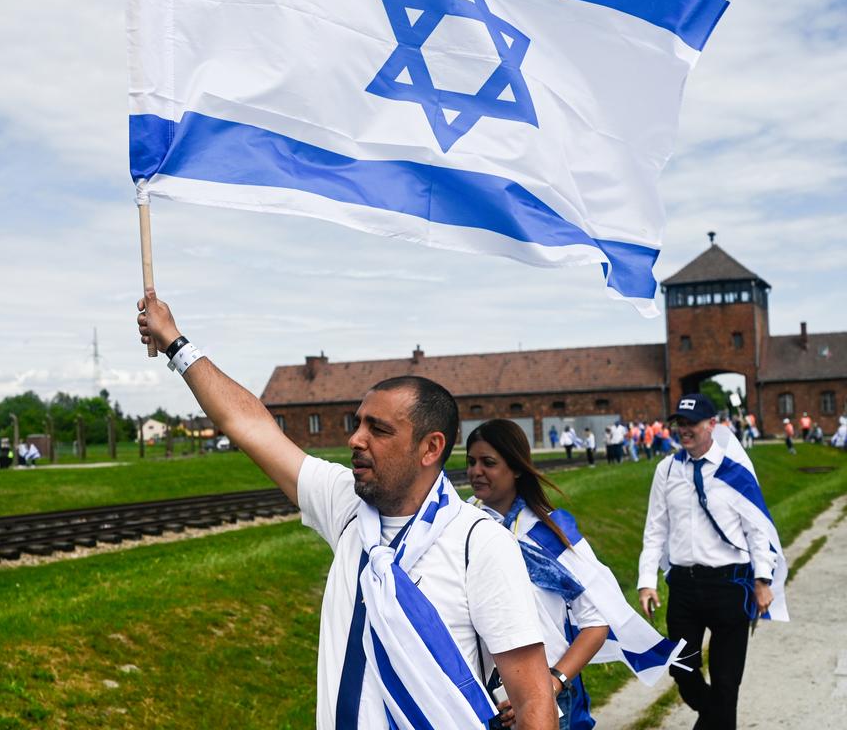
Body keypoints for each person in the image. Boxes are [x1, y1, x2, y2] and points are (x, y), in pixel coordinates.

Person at [137, 289, 557, 730]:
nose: (356, 439)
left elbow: (533, 703)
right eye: (358, 424)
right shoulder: (348, 506)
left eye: (378, 429)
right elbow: (251, 425)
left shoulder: (480, 543)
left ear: (430, 448)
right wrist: (175, 343)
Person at [467, 420, 683, 730]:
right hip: (481, 697)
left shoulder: (547, 533)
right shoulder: (461, 526)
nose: (476, 471)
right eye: (471, 462)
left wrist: (552, 683)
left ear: (516, 468)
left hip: (545, 695)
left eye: (489, 463)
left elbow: (596, 621)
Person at [638, 394, 787, 730]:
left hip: (729, 586)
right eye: (680, 423)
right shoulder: (667, 470)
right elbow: (655, 528)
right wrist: (647, 580)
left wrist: (762, 580)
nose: (684, 430)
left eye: (692, 423)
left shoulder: (735, 471)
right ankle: (713, 718)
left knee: (726, 679)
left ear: (712, 425)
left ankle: (713, 720)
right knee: (681, 668)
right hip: (684, 586)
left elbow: (757, 529)